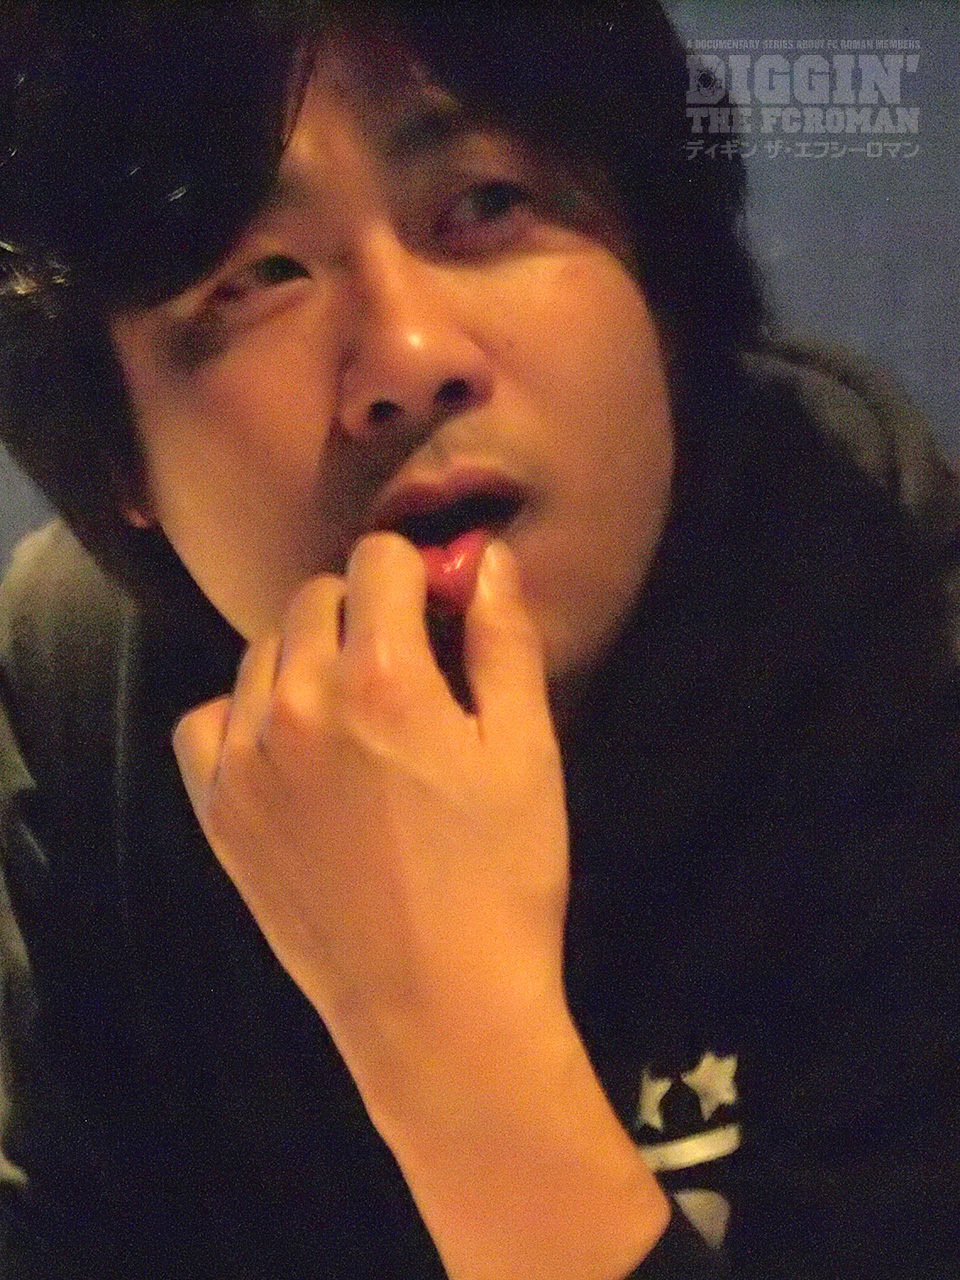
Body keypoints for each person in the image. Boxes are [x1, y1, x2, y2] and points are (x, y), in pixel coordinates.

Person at [0, 3, 958, 1277]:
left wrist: (459, 1055)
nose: (407, 357)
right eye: (254, 277)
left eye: (488, 203)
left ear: (651, 270)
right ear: (121, 456)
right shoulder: (79, 701)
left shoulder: (901, 648)